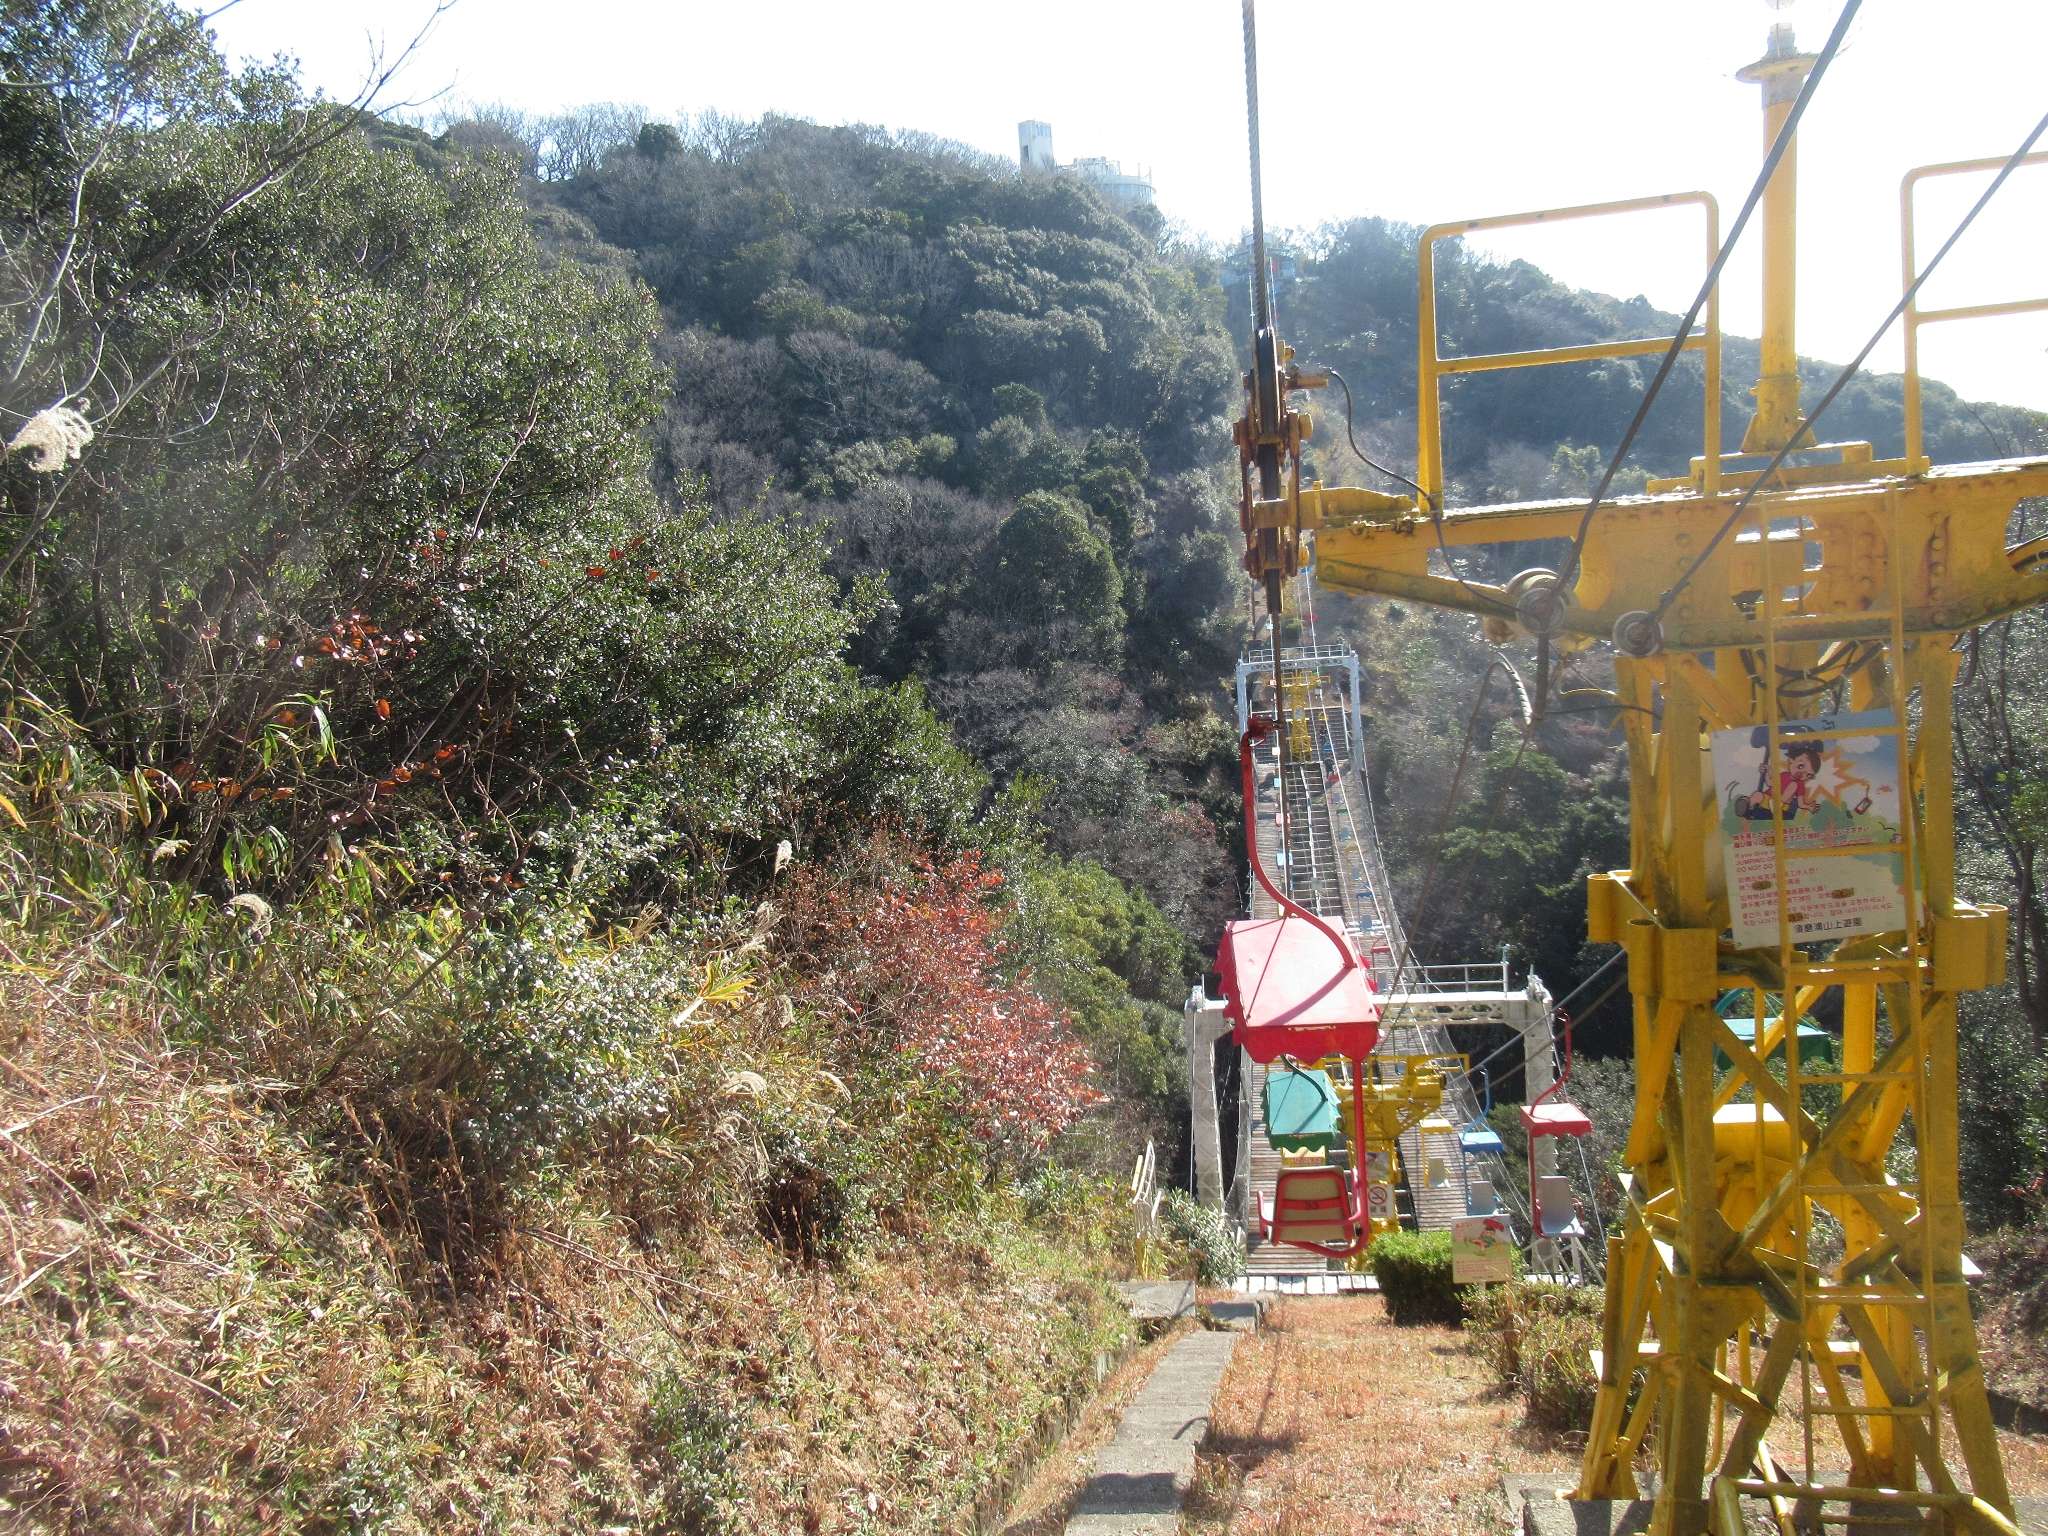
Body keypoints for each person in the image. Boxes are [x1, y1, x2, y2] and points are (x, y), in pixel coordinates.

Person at [1736, 740, 1823, 821]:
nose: (1801, 773)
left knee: (1794, 785)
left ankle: (1777, 804)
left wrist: (1809, 807)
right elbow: (1770, 783)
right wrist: (1766, 772)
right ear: (1791, 761)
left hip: (1782, 807)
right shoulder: (1784, 775)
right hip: (1768, 800)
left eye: (1808, 775)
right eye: (1800, 766)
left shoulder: (1799, 784)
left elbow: (1800, 803)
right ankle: (1748, 808)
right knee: (1757, 795)